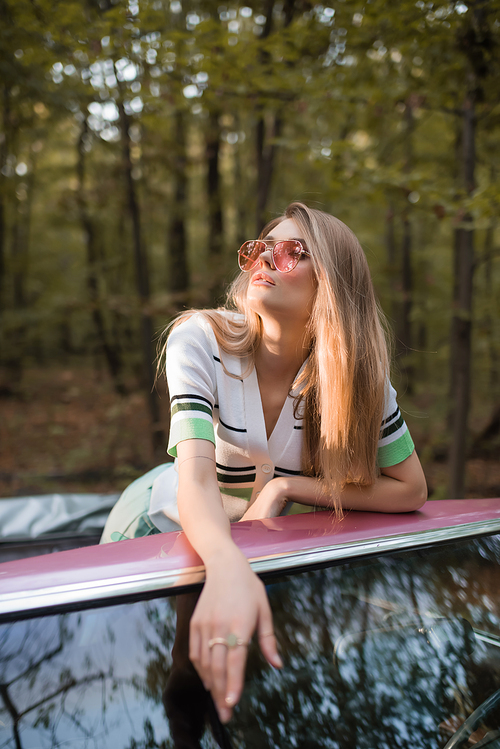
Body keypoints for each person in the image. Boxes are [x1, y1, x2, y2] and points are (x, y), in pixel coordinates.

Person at [101, 202, 427, 725]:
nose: (265, 260)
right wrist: (227, 565)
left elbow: (410, 490)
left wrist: (290, 488)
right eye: (259, 248)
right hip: (164, 525)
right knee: (171, 681)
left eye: (292, 251)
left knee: (250, 690)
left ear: (334, 285)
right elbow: (197, 479)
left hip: (263, 540)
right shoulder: (201, 340)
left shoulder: (360, 381)